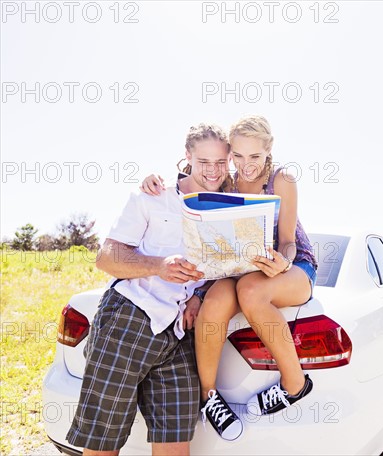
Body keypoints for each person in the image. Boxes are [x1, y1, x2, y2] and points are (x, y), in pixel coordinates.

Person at [140, 114, 318, 439]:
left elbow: (290, 242)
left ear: (268, 150)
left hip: (291, 268)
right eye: (237, 156)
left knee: (251, 290)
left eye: (254, 156)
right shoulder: (228, 184)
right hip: (237, 269)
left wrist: (283, 262)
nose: (245, 164)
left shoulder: (282, 180)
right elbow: (191, 185)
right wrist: (155, 180)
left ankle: (295, 383)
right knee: (218, 297)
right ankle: (209, 396)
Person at [66, 123, 237, 456]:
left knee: (175, 443)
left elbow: (225, 269)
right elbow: (106, 257)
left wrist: (199, 297)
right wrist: (159, 266)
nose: (213, 171)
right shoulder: (152, 196)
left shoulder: (227, 210)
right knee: (103, 442)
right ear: (187, 156)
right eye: (204, 161)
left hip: (179, 333)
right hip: (128, 320)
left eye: (220, 162)